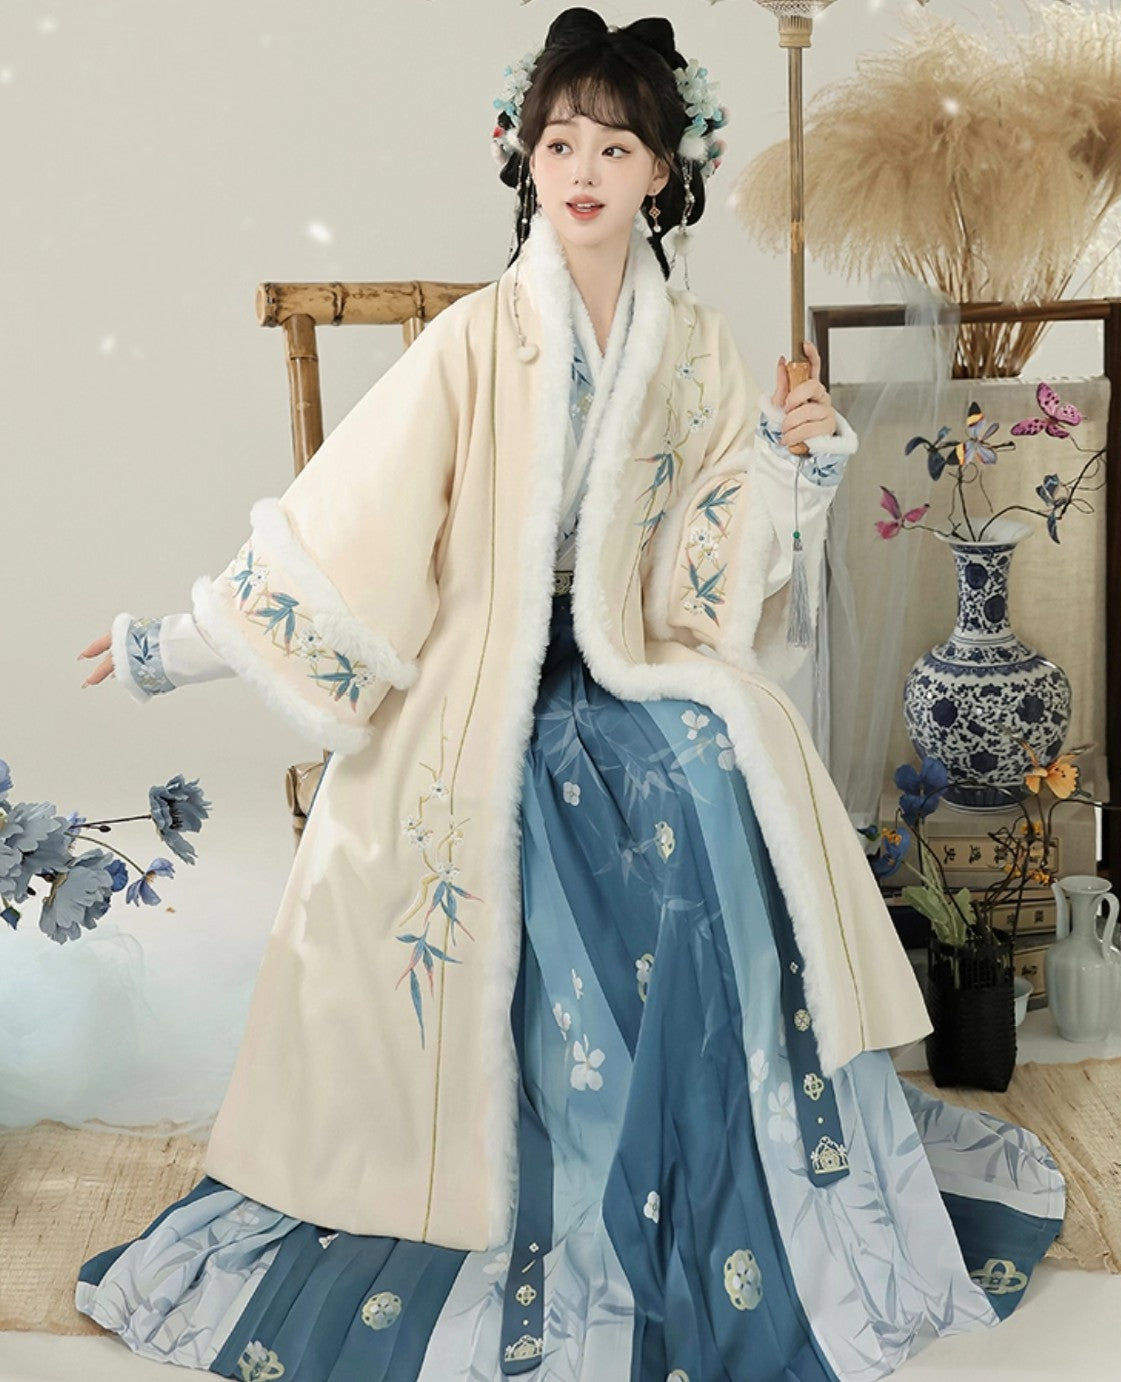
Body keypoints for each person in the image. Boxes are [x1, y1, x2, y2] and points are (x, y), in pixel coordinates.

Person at [74, 10, 1064, 1379]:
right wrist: (173, 641)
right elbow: (351, 519)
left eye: (614, 144)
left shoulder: (698, 346)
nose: (582, 169)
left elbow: (720, 552)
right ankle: (551, 1151)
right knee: (589, 789)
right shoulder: (477, 342)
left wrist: (799, 463)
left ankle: (730, 1147)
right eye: (558, 142)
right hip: (481, 679)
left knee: (713, 761)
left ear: (663, 170)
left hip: (631, 654)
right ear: (523, 158)